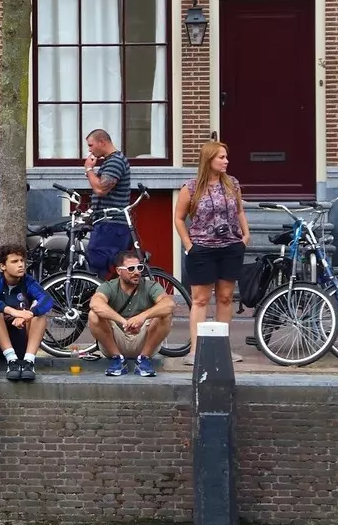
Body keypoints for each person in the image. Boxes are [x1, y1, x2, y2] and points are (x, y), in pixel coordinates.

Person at [174, 139, 250, 360]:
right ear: (209, 159)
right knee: (200, 299)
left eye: (226, 157)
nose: (226, 161)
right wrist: (189, 245)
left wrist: (245, 236)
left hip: (230, 247)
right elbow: (178, 219)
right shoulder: (191, 187)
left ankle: (222, 348)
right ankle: (196, 350)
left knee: (226, 298)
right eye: (221, 157)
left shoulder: (232, 184)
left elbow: (240, 211)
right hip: (202, 249)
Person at [89, 247, 174, 377]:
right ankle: (117, 358)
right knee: (93, 315)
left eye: (139, 268)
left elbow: (169, 304)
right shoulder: (109, 286)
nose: (136, 272)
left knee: (165, 314)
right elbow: (95, 303)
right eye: (130, 269)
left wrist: (141, 317)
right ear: (118, 271)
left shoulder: (150, 285)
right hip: (116, 340)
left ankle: (144, 359)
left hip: (144, 340)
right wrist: (123, 321)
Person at [0, 242, 53, 382]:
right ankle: (11, 361)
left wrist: (29, 314)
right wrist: (14, 312)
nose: (21, 265)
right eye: (14, 261)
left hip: (24, 346)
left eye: (22, 261)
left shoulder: (28, 282)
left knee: (40, 315)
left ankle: (29, 362)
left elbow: (47, 299)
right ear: (3, 266)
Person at [82, 128, 135, 276]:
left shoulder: (115, 162)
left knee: (97, 265)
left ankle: (100, 297)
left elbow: (100, 189)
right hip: (109, 224)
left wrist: (88, 169)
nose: (89, 150)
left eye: (91, 145)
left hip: (111, 225)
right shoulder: (111, 161)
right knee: (106, 269)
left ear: (102, 142)